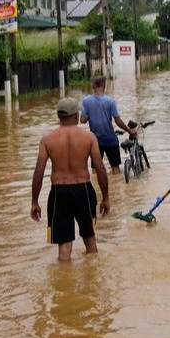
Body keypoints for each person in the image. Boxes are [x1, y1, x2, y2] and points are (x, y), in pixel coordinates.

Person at [32, 98, 111, 261]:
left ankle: (64, 284)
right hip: (83, 190)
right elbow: (101, 170)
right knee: (90, 239)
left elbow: (38, 172)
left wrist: (34, 201)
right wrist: (106, 198)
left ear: (59, 116)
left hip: (59, 192)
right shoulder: (89, 138)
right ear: (76, 116)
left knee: (64, 247)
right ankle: (93, 281)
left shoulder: (47, 140)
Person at [80, 76, 135, 174]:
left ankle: (97, 188)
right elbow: (118, 121)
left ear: (93, 87)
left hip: (95, 141)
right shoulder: (110, 101)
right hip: (110, 139)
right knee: (115, 168)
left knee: (95, 169)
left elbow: (83, 120)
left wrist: (90, 114)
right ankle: (116, 188)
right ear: (104, 87)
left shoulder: (86, 101)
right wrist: (128, 130)